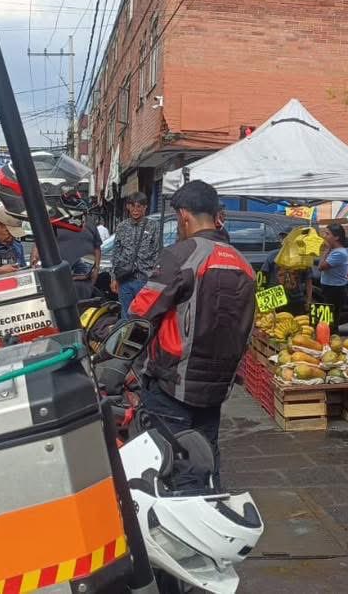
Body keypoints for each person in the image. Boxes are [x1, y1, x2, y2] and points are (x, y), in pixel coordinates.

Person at [129, 180, 256, 489]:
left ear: (184, 216)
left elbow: (140, 313)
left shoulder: (182, 255)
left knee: (168, 465)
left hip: (172, 384)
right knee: (207, 460)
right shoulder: (244, 264)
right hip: (216, 388)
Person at [110, 192, 158, 319]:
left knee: (144, 317)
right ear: (128, 207)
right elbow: (116, 253)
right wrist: (114, 278)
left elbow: (158, 252)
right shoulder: (122, 227)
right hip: (125, 279)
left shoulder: (153, 226)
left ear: (145, 208)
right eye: (132, 206)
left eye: (139, 206)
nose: (135, 210)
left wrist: (154, 277)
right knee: (126, 316)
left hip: (145, 280)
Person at [316, 223, 348, 327]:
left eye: (327, 234)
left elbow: (321, 267)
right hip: (329, 288)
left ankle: (330, 339)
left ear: (336, 237)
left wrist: (326, 250)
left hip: (335, 290)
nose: (324, 236)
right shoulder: (335, 251)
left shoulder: (339, 253)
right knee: (327, 320)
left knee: (330, 322)